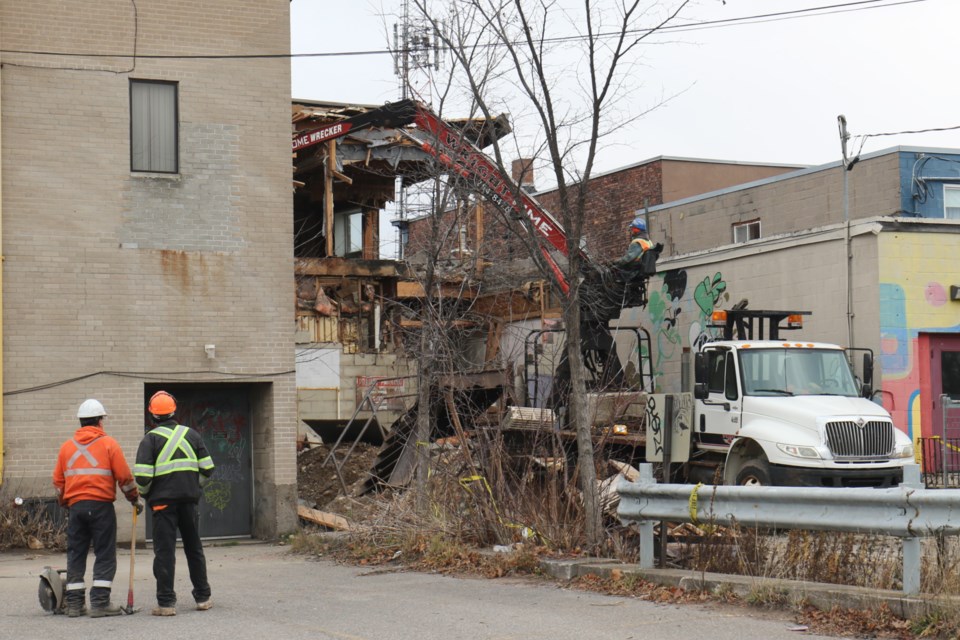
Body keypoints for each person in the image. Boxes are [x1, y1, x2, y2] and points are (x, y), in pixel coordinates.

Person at [52, 398, 143, 618]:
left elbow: (58, 484)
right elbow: (124, 477)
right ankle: (100, 603)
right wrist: (134, 499)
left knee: (76, 553)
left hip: (76, 508)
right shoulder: (109, 444)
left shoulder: (66, 447)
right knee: (104, 553)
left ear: (81, 422)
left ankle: (74, 605)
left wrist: (67, 504)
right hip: (101, 507)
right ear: (100, 421)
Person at [134, 390, 215, 616]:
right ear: (173, 411)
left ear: (151, 415)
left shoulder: (150, 439)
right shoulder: (192, 435)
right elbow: (208, 469)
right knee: (194, 548)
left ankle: (166, 603)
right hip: (189, 503)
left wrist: (145, 494)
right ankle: (203, 597)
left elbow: (142, 477)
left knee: (164, 552)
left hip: (162, 505)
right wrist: (192, 486)